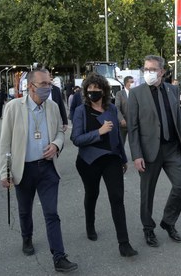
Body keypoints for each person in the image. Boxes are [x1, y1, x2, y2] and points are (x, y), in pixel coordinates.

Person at [0, 69, 78, 272]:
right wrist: (4, 172)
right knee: (25, 211)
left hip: (47, 169)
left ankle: (59, 257)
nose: (47, 88)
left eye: (49, 84)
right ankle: (27, 238)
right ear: (31, 86)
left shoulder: (52, 107)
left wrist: (56, 145)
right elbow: (4, 143)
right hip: (23, 169)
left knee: (51, 213)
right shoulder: (14, 107)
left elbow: (60, 132)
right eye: (43, 84)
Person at [70, 73, 138, 257]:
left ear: (104, 90)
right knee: (92, 194)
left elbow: (117, 137)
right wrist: (99, 132)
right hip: (89, 161)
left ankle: (124, 244)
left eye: (96, 89)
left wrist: (123, 158)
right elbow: (76, 138)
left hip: (112, 159)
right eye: (89, 89)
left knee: (117, 198)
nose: (93, 92)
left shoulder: (111, 109)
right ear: (85, 91)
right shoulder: (81, 111)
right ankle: (90, 224)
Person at [127, 55, 181, 247]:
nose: (148, 73)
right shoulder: (136, 93)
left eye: (152, 69)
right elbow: (133, 127)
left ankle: (168, 222)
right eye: (145, 69)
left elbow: (176, 117)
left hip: (171, 149)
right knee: (147, 193)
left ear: (162, 71)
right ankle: (148, 229)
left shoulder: (172, 89)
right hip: (148, 152)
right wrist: (136, 155)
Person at [115, 76, 134, 144]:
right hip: (123, 124)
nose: (133, 83)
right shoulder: (119, 94)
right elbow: (117, 107)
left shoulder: (136, 93)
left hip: (133, 124)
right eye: (131, 82)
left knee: (134, 144)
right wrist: (121, 119)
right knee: (121, 143)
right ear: (126, 83)